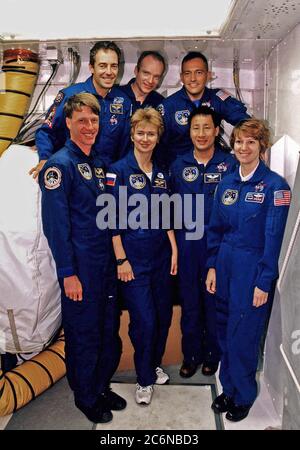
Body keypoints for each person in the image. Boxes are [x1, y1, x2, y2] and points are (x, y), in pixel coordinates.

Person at [39, 93, 126, 424]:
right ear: (69, 123)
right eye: (82, 121)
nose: (89, 127)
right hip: (80, 270)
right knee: (83, 334)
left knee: (106, 330)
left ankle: (101, 386)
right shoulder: (59, 167)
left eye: (94, 120)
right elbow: (56, 228)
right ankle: (85, 396)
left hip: (104, 266)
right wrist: (68, 274)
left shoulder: (98, 164)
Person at [206, 118, 291, 422]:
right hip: (225, 264)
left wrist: (263, 282)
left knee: (243, 335)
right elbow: (215, 229)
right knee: (224, 330)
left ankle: (243, 395)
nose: (243, 147)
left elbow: (273, 240)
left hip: (252, 269)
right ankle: (227, 388)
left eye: (251, 142)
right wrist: (212, 267)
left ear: (262, 147)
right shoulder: (227, 182)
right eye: (239, 141)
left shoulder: (275, 187)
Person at [106, 107, 178, 405]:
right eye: (140, 133)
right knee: (144, 321)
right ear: (132, 135)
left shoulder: (162, 174)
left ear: (158, 137)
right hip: (133, 260)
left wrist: (174, 249)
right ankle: (144, 379)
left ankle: (154, 364)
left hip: (161, 256)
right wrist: (121, 260)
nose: (145, 138)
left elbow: (166, 216)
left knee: (161, 317)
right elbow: (110, 220)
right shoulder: (118, 171)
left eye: (151, 133)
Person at [170, 106, 236, 379]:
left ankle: (213, 354)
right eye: (196, 128)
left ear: (217, 131)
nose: (201, 133)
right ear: (190, 131)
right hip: (188, 244)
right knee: (190, 303)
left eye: (207, 127)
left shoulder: (229, 164)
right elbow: (169, 209)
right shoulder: (178, 165)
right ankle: (191, 355)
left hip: (218, 245)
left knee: (214, 302)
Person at [31, 41, 131, 178]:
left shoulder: (123, 101)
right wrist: (44, 158)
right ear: (91, 67)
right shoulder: (69, 95)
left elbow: (125, 146)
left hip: (107, 179)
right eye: (102, 66)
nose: (109, 72)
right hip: (74, 176)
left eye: (113, 66)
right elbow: (46, 131)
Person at [157, 51, 250, 166]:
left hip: (213, 167)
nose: (193, 79)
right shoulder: (168, 106)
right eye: (187, 73)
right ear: (182, 77)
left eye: (199, 73)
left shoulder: (217, 99)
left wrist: (260, 146)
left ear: (208, 75)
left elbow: (246, 122)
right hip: (180, 170)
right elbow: (157, 145)